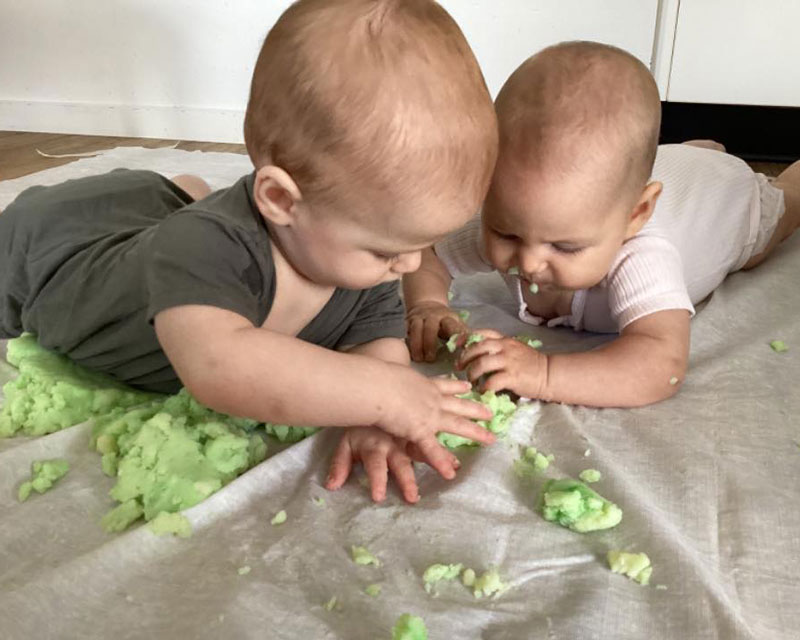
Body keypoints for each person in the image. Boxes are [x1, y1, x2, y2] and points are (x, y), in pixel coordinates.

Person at [0, 0, 500, 502]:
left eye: (419, 247)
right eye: (385, 249)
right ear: (280, 199)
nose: (409, 266)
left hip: (159, 229)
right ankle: (168, 193)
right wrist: (386, 397)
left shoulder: (368, 269)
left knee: (171, 208)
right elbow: (219, 368)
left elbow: (378, 346)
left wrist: (378, 418)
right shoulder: (203, 246)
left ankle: (177, 191)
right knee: (159, 229)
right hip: (54, 247)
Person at [403, 40, 800, 408]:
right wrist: (428, 302)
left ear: (635, 217)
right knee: (622, 169)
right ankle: (692, 152)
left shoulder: (642, 254)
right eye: (506, 233)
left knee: (784, 209)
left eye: (566, 247)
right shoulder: (525, 213)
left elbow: (662, 365)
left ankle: (741, 169)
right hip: (664, 176)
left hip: (728, 204)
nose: (528, 262)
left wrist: (543, 373)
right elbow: (430, 252)